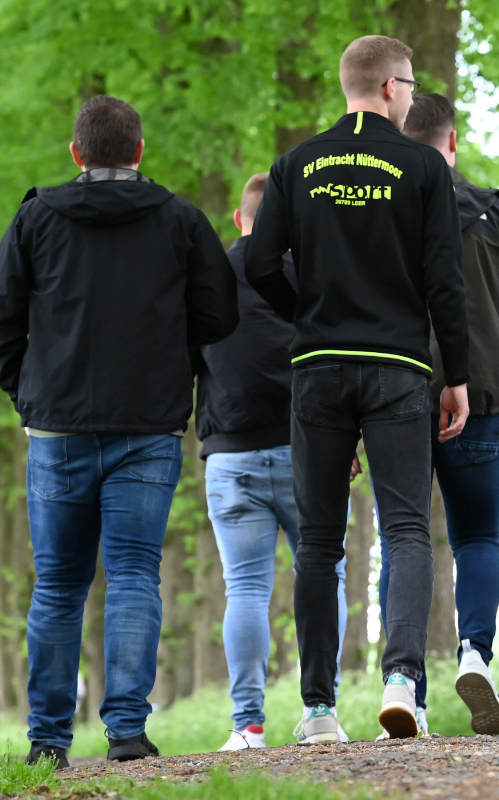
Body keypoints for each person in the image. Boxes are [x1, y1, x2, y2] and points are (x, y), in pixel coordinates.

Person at [0, 95, 238, 768]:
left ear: (76, 154)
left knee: (58, 585)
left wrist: (26, 392)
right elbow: (219, 314)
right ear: (139, 152)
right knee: (132, 576)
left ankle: (48, 741)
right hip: (148, 425)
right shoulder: (180, 221)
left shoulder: (35, 218)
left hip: (56, 428)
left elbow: (0, 320)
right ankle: (127, 730)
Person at [245, 35, 470, 742]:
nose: (410, 95)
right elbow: (445, 281)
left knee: (318, 540)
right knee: (407, 529)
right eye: (409, 84)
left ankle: (317, 711)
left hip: (317, 366)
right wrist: (456, 373)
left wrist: (305, 311)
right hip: (399, 367)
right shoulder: (421, 167)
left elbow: (257, 262)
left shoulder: (296, 164)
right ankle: (402, 680)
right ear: (389, 88)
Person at [374, 92, 499, 736]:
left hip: (394, 399)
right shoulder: (495, 216)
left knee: (401, 541)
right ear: (452, 143)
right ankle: (475, 653)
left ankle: (407, 691)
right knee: (478, 538)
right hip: (481, 402)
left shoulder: (376, 212)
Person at [195, 173, 352, 750]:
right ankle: (320, 712)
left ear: (239, 221)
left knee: (244, 590)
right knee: (324, 572)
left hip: (229, 455)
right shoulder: (311, 275)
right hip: (307, 450)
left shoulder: (205, 277)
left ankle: (247, 725)